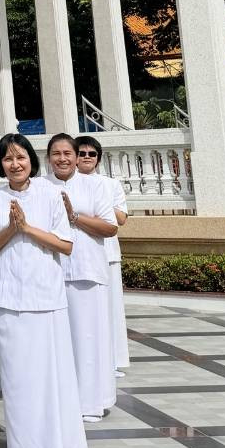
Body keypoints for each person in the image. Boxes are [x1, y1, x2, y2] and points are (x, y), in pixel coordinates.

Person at [0, 133, 86, 448]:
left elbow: (65, 244)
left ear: (31, 160)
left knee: (52, 377)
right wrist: (11, 229)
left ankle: (55, 446)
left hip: (47, 298)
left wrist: (26, 228)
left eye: (20, 157)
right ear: (1, 164)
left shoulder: (51, 194)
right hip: (10, 299)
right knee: (18, 377)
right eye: (8, 159)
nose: (15, 164)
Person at [48, 134, 118, 422]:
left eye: (67, 153)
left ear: (77, 156)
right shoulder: (41, 186)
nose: (62, 158)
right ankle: (62, 401)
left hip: (87, 270)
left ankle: (91, 402)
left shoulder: (95, 186)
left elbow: (110, 227)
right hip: (52, 273)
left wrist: (73, 216)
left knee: (88, 339)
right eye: (56, 153)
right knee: (60, 342)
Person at [75, 134, 130, 376]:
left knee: (111, 309)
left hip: (106, 254)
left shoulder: (109, 184)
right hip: (75, 253)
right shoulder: (67, 184)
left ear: (98, 158)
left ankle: (113, 360)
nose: (86, 158)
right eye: (82, 153)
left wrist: (98, 205)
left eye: (91, 154)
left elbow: (120, 218)